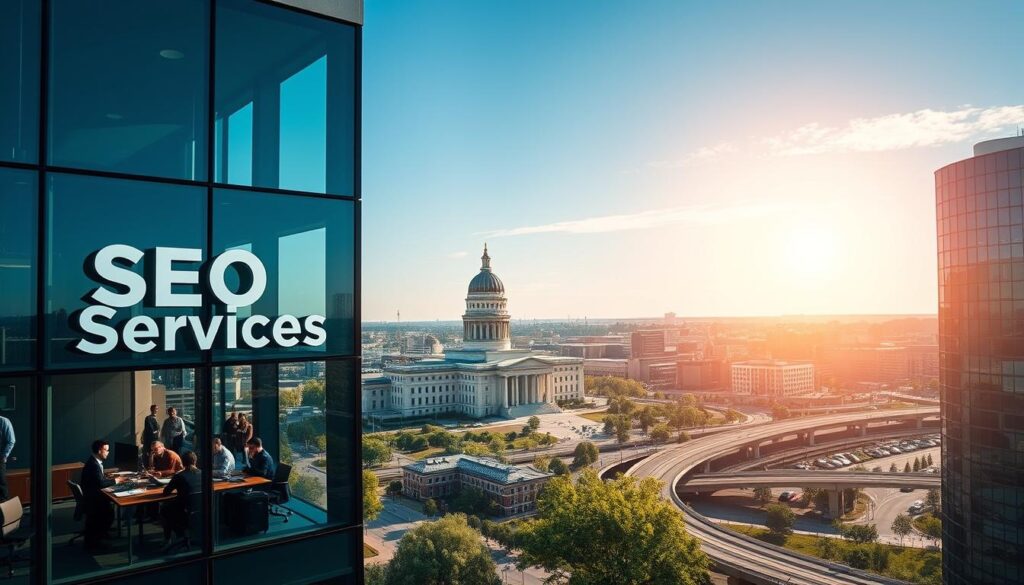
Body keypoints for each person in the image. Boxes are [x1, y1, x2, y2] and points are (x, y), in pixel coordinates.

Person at [81, 440, 124, 551]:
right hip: (94, 500)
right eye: (106, 450)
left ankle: (100, 535)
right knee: (109, 513)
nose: (108, 452)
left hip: (92, 496)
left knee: (109, 509)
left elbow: (98, 480)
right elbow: (100, 483)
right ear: (100, 451)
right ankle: (97, 540)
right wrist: (116, 480)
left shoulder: (95, 461)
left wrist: (108, 479)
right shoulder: (94, 465)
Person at [160, 451, 201, 551]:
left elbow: (166, 492)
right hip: (201, 509)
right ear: (195, 461)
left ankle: (168, 540)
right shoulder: (204, 474)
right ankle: (182, 534)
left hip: (184, 511)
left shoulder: (179, 476)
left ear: (183, 463)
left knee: (164, 508)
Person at [0, 415, 15, 501]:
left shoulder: (4, 421)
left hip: (0, 459)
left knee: (1, 485)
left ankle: (4, 506)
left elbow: (11, 441)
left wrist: (4, 456)